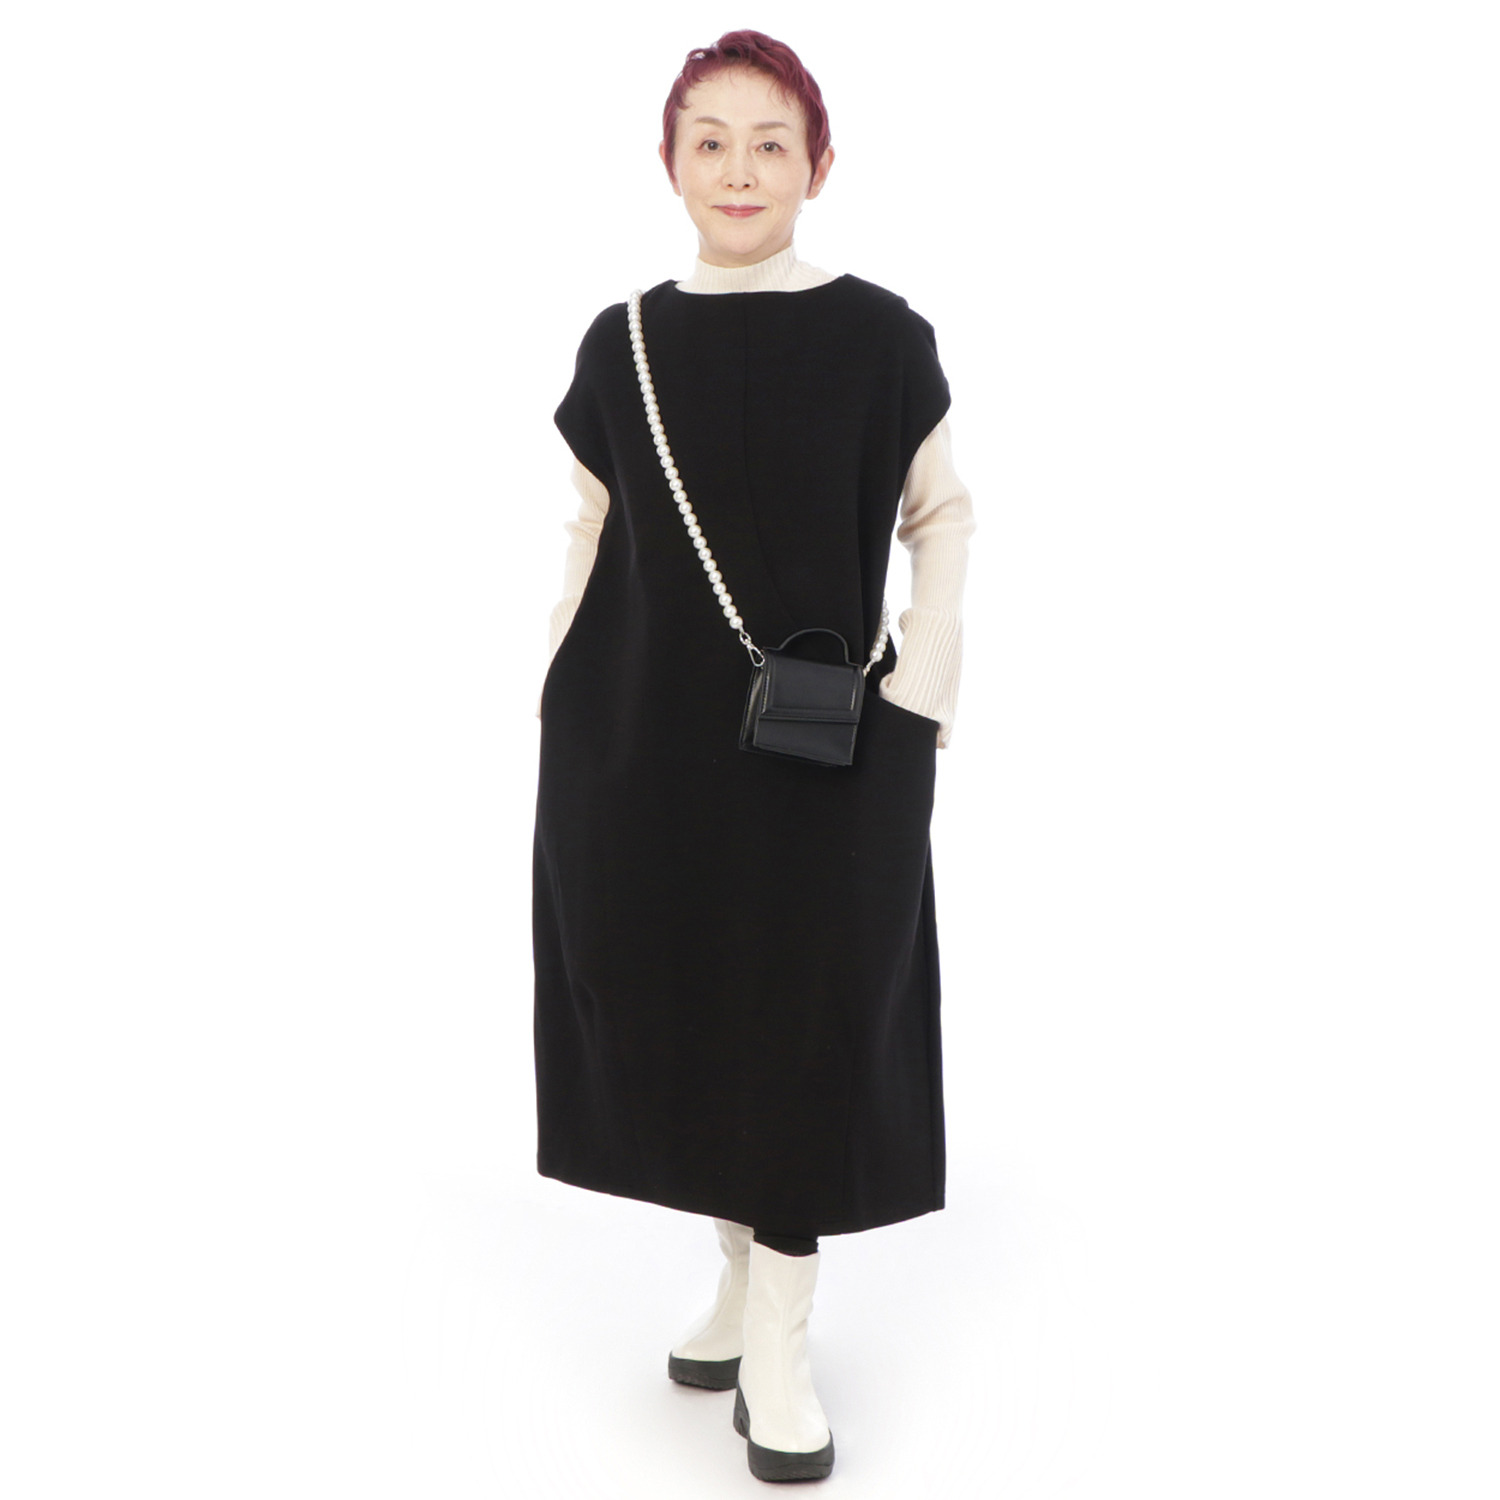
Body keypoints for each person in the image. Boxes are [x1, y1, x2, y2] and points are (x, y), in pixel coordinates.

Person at [532, 30, 976, 1484]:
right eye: (710, 141)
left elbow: (941, 517)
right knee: (680, 1002)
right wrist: (557, 681)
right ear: (669, 163)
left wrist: (923, 689)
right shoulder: (622, 342)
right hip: (641, 743)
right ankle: (737, 1282)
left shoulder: (883, 338)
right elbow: (591, 523)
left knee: (807, 1022)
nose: (739, 169)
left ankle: (780, 1337)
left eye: (770, 141)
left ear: (818, 165)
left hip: (833, 745)